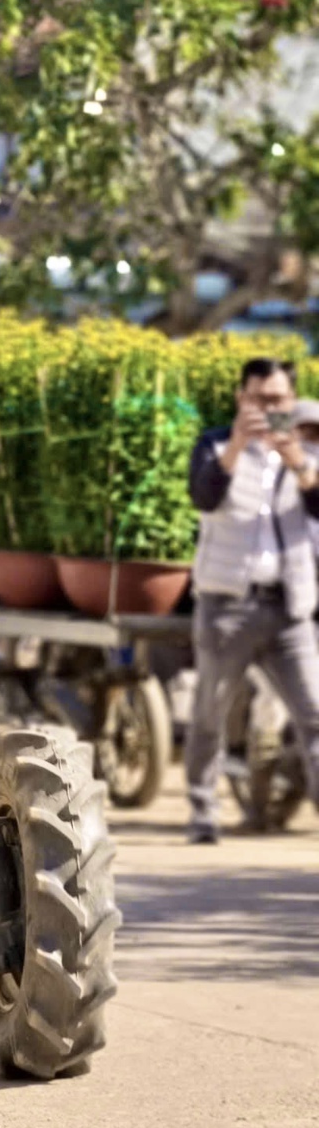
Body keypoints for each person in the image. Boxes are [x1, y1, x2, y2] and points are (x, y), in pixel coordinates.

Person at [182, 357, 319, 843]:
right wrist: (238, 446)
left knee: (314, 712)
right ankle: (202, 813)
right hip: (228, 608)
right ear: (242, 399)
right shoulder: (215, 444)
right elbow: (202, 495)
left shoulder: (306, 449)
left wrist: (298, 461)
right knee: (209, 713)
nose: (269, 408)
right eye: (260, 399)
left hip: (291, 608)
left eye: (279, 400)